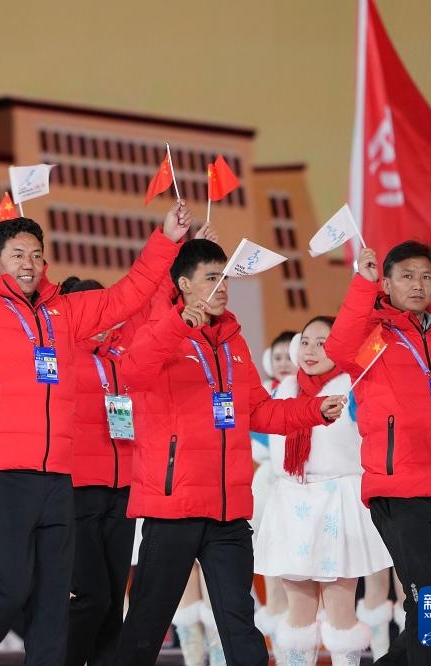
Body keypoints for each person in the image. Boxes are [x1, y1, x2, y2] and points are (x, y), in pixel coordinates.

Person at [0, 171, 189, 664]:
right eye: (17, 255)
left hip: (55, 475)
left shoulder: (63, 312)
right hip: (0, 470)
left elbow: (126, 296)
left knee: (51, 602)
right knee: (9, 588)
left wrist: (166, 241)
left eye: (36, 255)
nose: (28, 264)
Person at [111, 239, 346, 666]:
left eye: (225, 278)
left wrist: (315, 410)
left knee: (239, 621)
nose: (222, 287)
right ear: (184, 285)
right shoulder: (160, 331)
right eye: (211, 278)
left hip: (227, 511)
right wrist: (176, 324)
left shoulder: (233, 341)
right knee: (147, 620)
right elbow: (132, 371)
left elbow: (259, 410)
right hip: (174, 506)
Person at [324, 242, 431, 666]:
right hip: (399, 491)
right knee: (429, 601)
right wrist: (362, 286)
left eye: (426, 276)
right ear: (386, 283)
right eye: (406, 276)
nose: (418, 284)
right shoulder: (375, 339)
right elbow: (339, 348)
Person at [254, 315, 393, 666]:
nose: (311, 350)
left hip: (338, 503)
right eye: (305, 342)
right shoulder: (282, 390)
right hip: (291, 503)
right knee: (297, 616)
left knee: (340, 613)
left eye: (322, 343)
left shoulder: (354, 387)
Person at [59, 276, 140, 666]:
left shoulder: (122, 353)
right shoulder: (59, 353)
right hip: (77, 489)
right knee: (91, 595)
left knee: (113, 598)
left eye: (105, 310)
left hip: (123, 489)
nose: (102, 320)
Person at [252, 331, 298, 639]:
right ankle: (279, 641)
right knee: (267, 554)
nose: (283, 363)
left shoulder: (312, 394)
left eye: (288, 357)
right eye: (277, 357)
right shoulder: (262, 394)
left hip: (299, 485)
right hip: (268, 483)